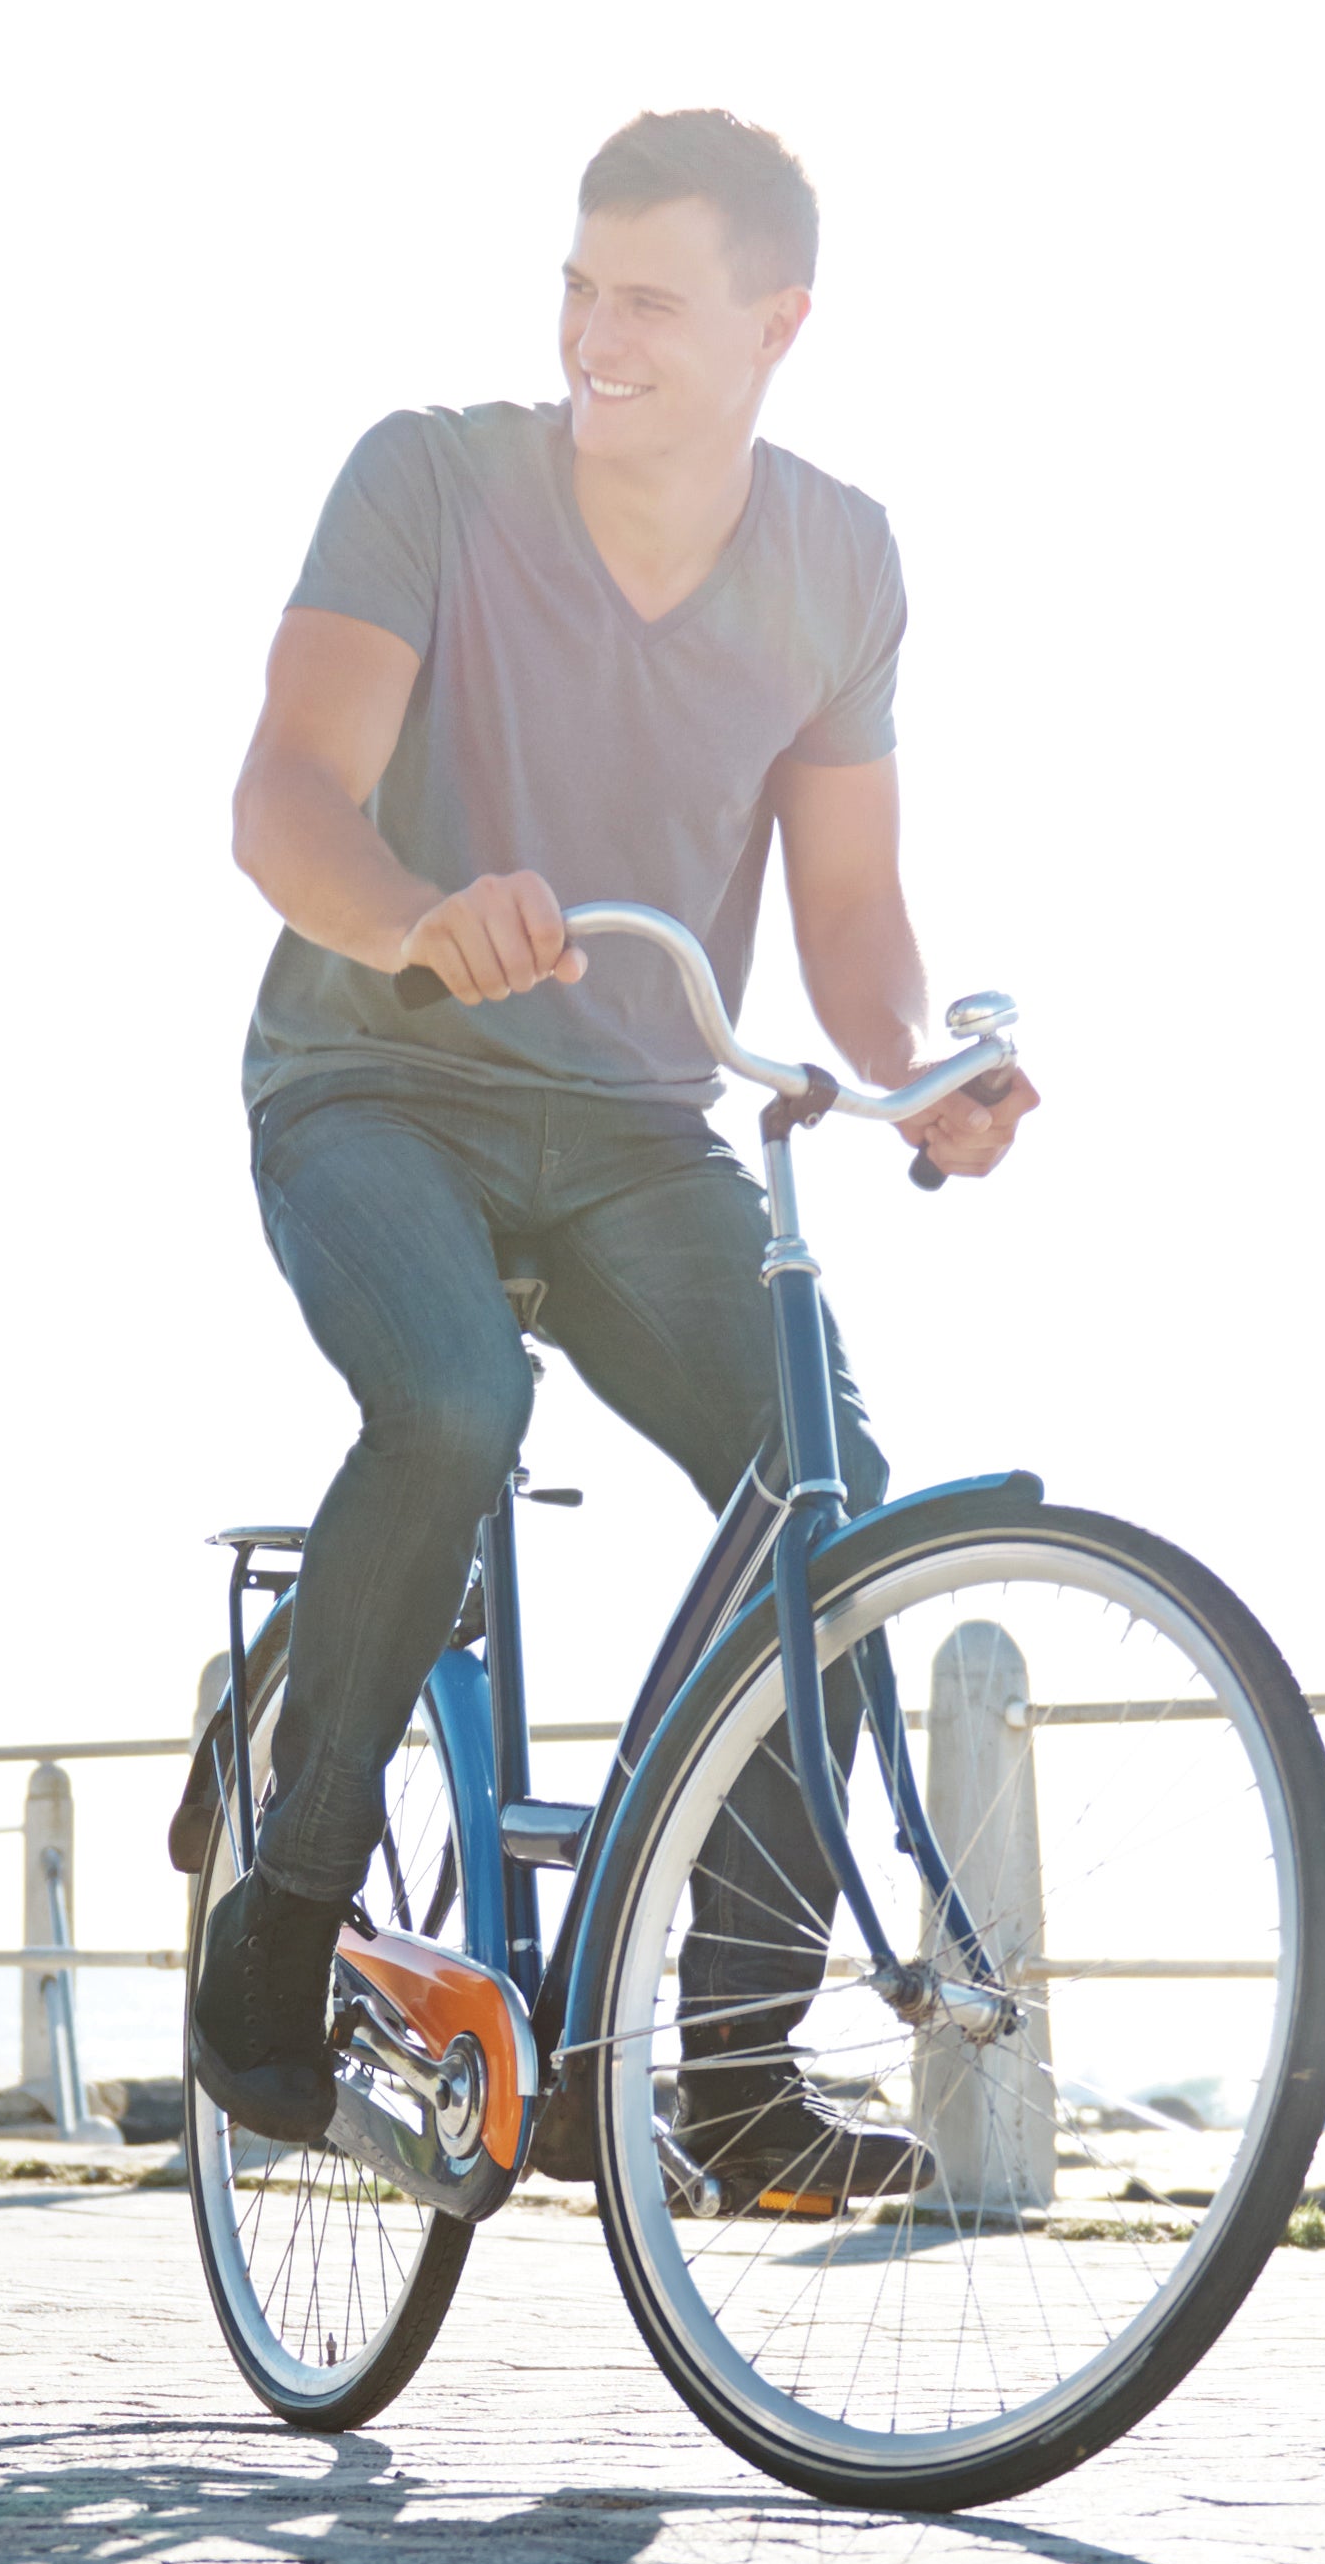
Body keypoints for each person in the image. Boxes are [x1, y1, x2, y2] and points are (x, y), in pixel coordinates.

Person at [204, 108, 1037, 2191]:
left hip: (635, 1125)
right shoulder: (433, 479)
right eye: (580, 284)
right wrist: (413, 916)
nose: (596, 332)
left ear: (780, 324)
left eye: (649, 299)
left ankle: (727, 2061)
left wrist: (920, 1060)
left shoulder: (840, 559)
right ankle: (281, 1914)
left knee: (822, 1517)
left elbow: (849, 917)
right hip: (373, 1081)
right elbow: (288, 797)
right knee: (453, 1404)